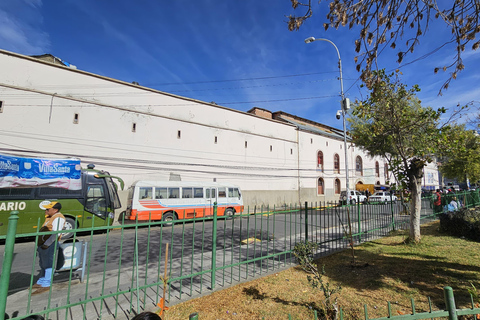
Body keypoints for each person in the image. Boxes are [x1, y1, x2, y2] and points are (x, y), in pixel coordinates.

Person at [32, 201, 65, 295]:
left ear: (55, 210)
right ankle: (41, 281)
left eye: (48, 209)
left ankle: (46, 284)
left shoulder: (58, 218)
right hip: (43, 244)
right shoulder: (50, 217)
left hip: (49, 244)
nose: (46, 211)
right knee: (42, 263)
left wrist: (47, 244)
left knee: (48, 264)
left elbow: (56, 233)